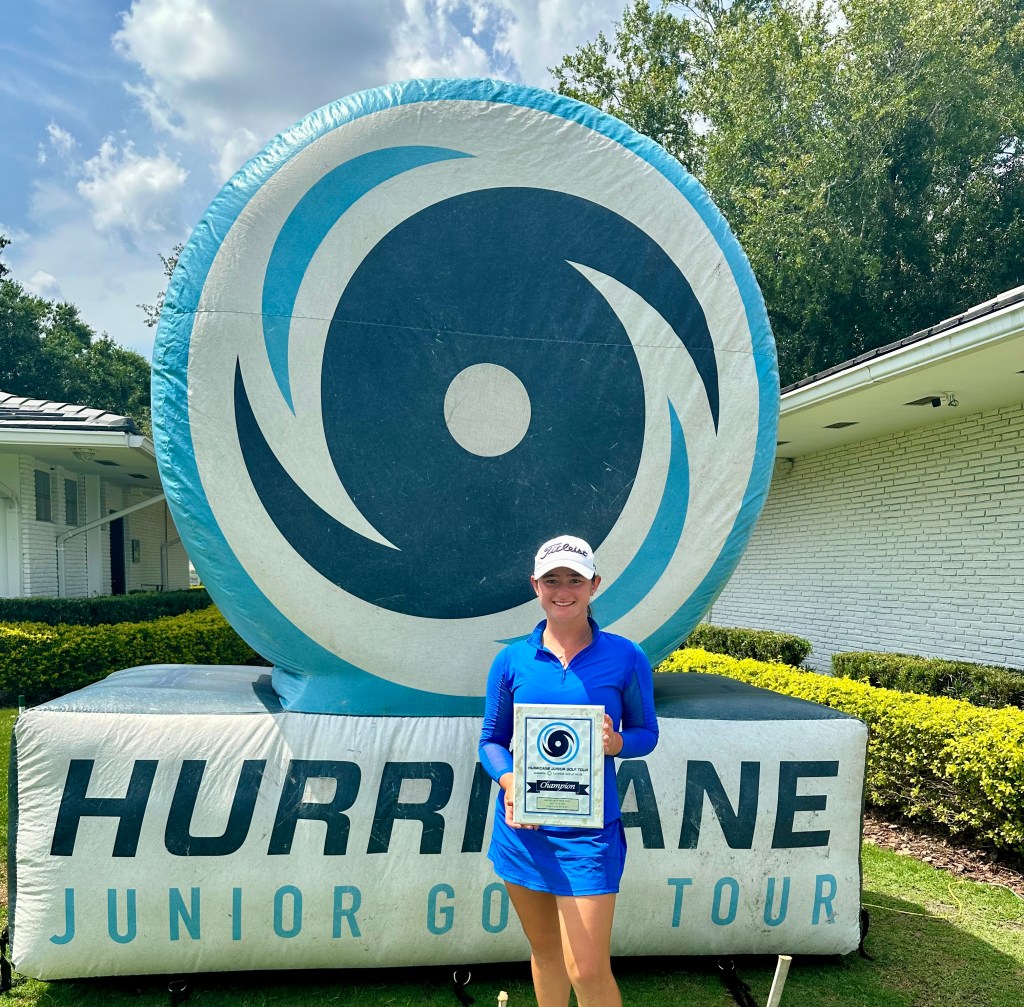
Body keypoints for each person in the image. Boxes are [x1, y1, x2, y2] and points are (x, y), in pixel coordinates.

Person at [478, 535, 659, 1007]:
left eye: (575, 580)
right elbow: (491, 742)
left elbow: (646, 733)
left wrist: (617, 742)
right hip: (524, 829)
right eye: (552, 580)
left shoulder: (627, 656)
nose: (563, 590)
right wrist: (510, 781)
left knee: (588, 971)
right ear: (535, 585)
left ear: (594, 585)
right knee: (546, 954)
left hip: (589, 836)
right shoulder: (511, 659)